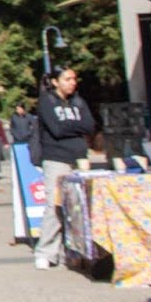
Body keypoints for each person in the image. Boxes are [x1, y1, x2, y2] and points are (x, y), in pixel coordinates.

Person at [32, 66, 95, 270]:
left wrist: (71, 126)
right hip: (56, 158)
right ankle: (46, 251)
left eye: (74, 78)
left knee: (81, 205)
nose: (72, 82)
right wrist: (75, 127)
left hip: (80, 158)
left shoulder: (79, 101)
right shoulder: (46, 101)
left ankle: (76, 251)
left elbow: (90, 126)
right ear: (56, 82)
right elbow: (56, 129)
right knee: (55, 205)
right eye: (67, 79)